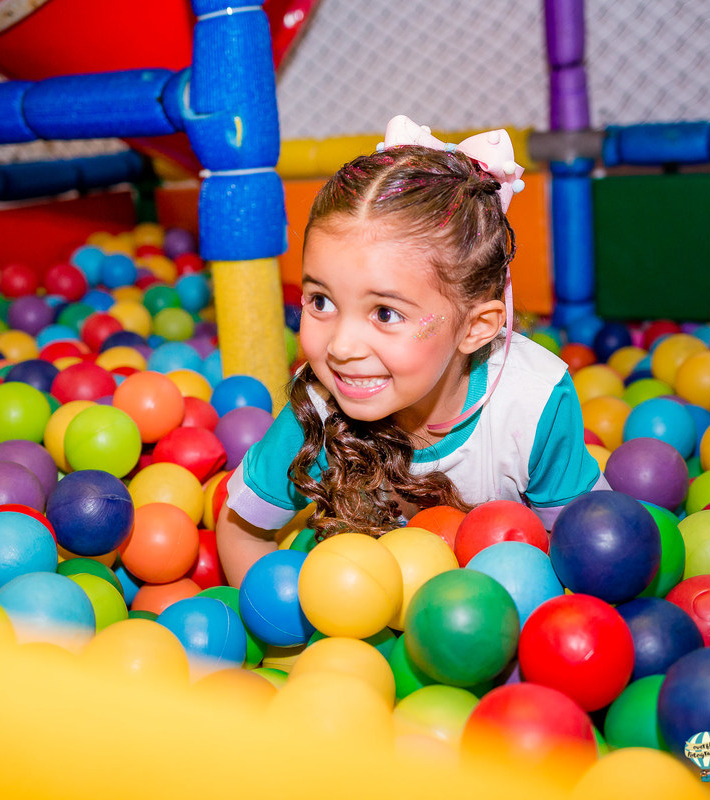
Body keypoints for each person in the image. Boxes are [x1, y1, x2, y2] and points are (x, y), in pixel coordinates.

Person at [217, 115, 607, 587]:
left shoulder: (534, 403)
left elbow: (590, 554)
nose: (340, 346)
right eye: (321, 302)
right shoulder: (318, 405)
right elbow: (242, 531)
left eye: (385, 313)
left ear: (476, 327)